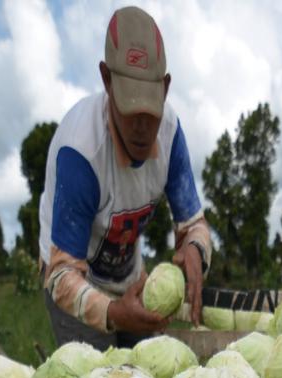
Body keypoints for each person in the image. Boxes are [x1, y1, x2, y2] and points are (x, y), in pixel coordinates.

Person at [38, 5, 214, 348]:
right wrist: (114, 313)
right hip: (75, 283)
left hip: (129, 276)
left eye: (150, 112)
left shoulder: (170, 134)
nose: (141, 127)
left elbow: (195, 225)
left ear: (165, 88)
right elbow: (61, 276)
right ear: (106, 79)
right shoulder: (81, 152)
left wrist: (195, 248)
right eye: (130, 110)